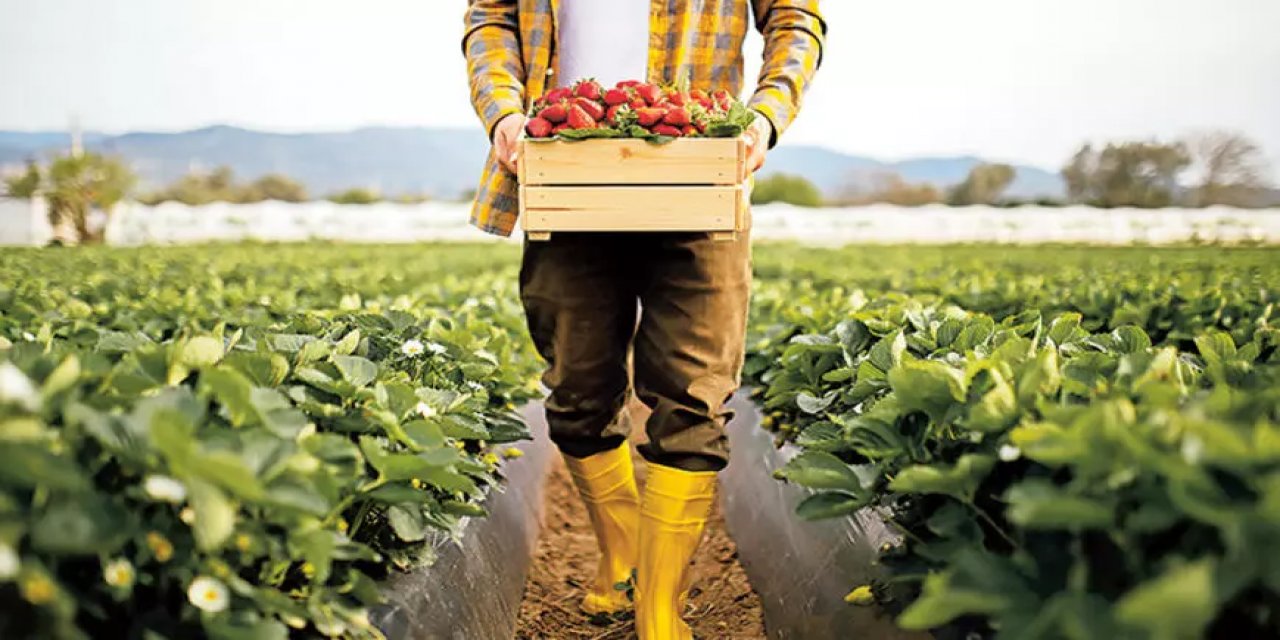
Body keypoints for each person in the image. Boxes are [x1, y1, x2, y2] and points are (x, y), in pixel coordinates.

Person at [462, 2, 824, 637]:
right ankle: (622, 555)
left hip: (698, 165)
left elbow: (796, 17)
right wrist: (504, 111)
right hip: (563, 163)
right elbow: (491, 18)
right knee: (577, 389)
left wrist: (765, 118)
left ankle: (659, 609)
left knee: (695, 393)